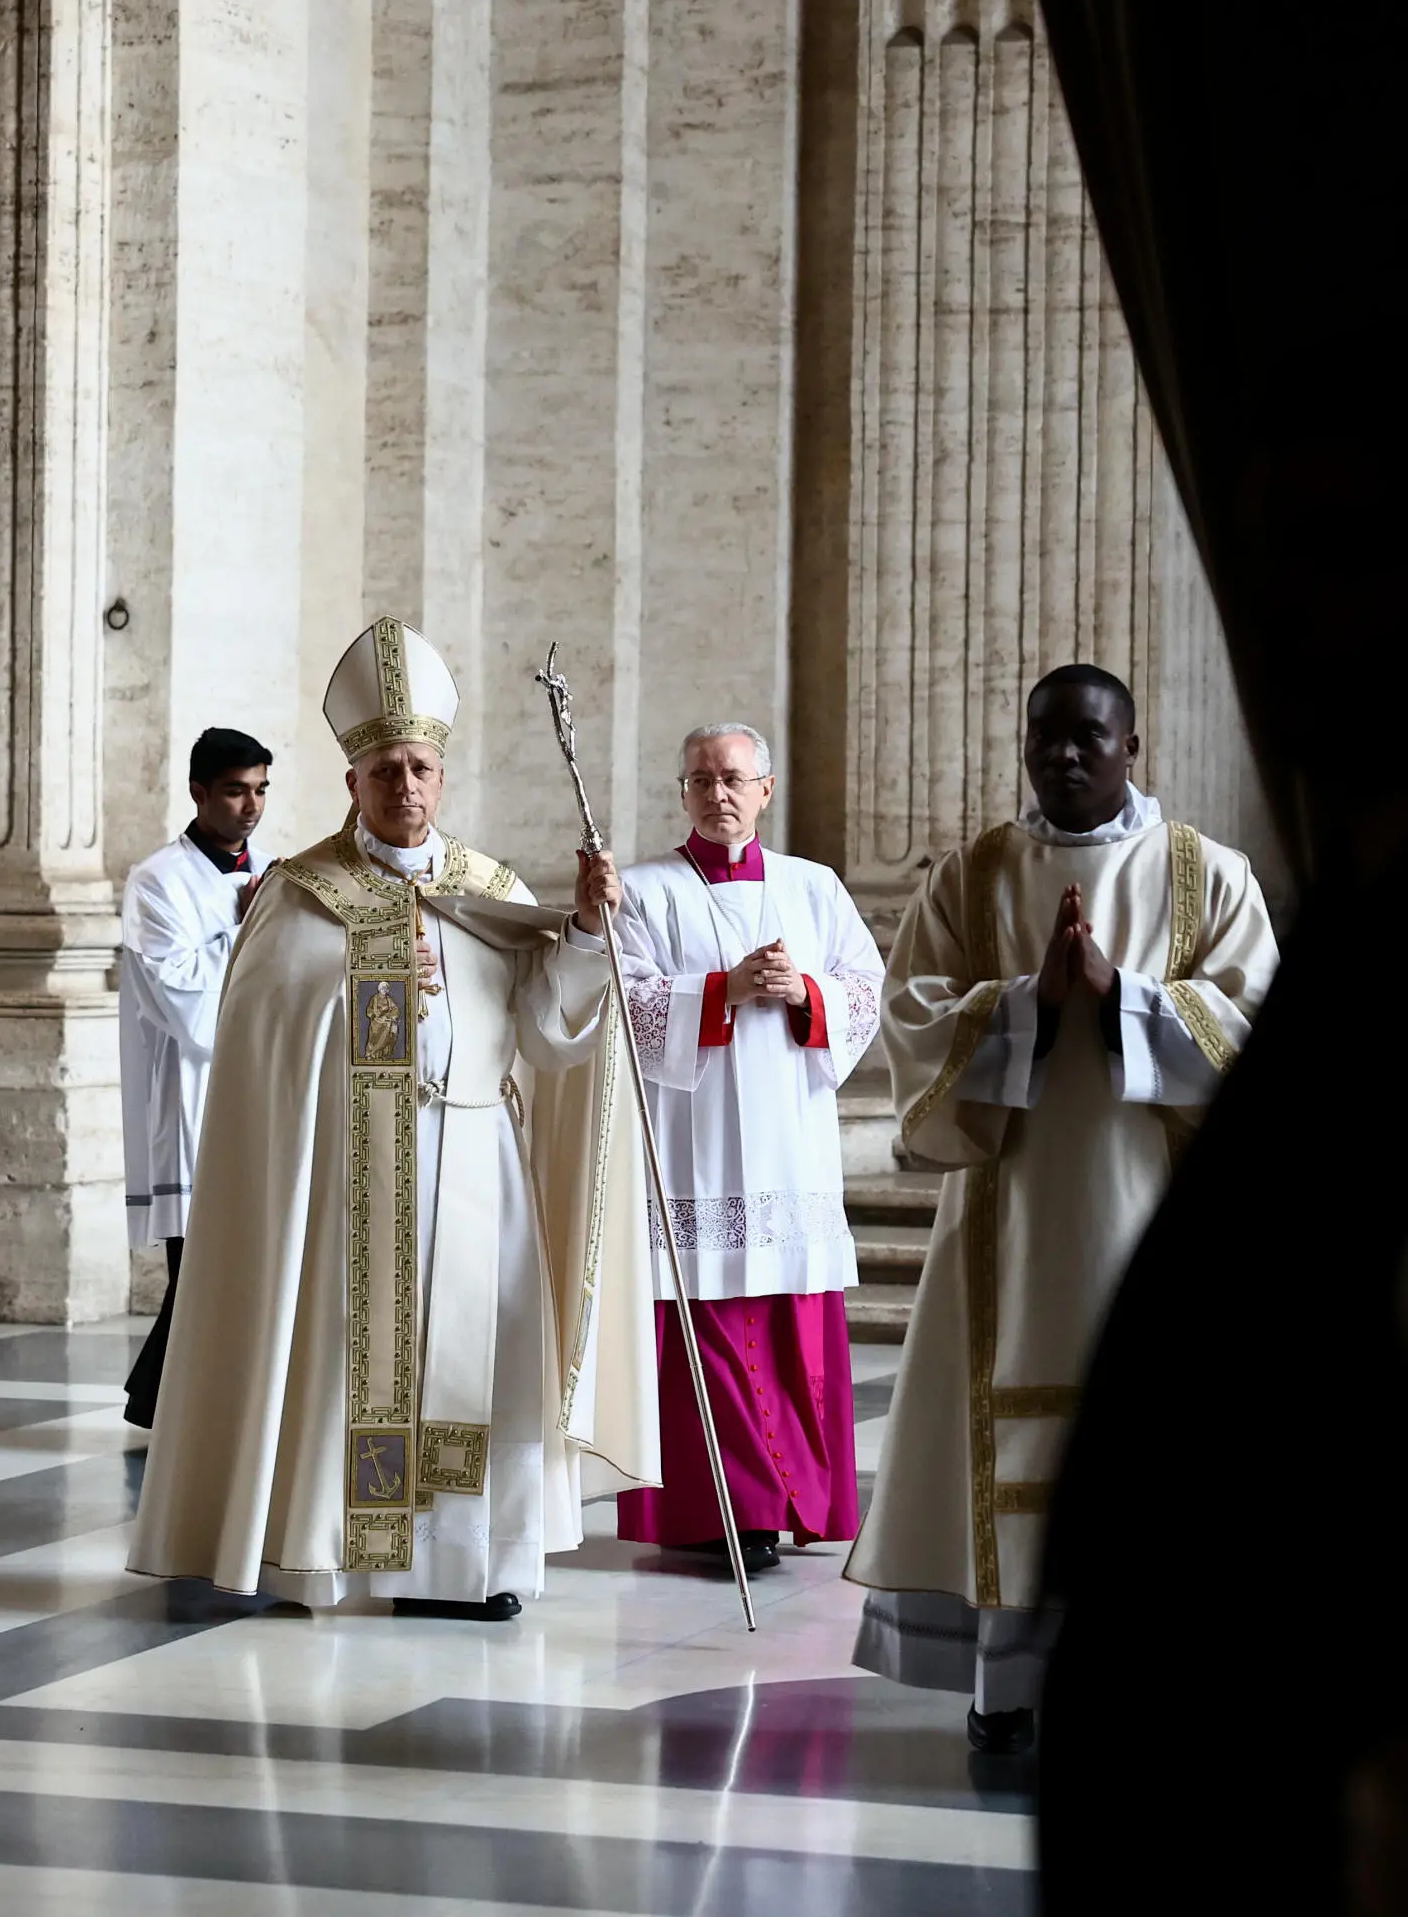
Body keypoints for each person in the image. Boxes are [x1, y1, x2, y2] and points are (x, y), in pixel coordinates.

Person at [129, 617, 652, 1621]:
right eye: (383, 769)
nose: (404, 786)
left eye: (419, 766)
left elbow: (549, 1034)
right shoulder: (300, 891)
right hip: (350, 1174)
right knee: (351, 1366)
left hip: (477, 1161)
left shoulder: (490, 890)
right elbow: (261, 1030)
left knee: (483, 1361)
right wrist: (367, 971)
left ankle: (468, 1565)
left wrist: (586, 934)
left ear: (442, 775)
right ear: (351, 782)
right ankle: (338, 1551)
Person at [844, 664, 1276, 1753]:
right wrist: (1026, 1001)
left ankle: (1143, 1680)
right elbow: (912, 1015)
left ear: (1135, 742)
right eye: (1045, 740)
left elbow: (1257, 1020)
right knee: (1014, 1448)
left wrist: (1122, 992)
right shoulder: (974, 875)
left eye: (1089, 737)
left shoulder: (1206, 873)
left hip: (1157, 1218)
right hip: (1011, 1223)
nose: (1065, 757)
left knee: (1154, 1451)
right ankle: (1009, 1688)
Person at [611, 723, 887, 1572]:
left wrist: (803, 991)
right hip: (692, 1144)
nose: (717, 794)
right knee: (708, 1324)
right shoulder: (646, 891)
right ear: (683, 791)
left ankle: (795, 1500)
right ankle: (720, 1511)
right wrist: (723, 991)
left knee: (790, 1325)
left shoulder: (813, 888)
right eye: (700, 780)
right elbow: (624, 1002)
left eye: (733, 779)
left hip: (789, 1144)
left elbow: (864, 987)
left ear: (766, 789)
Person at [117, 726, 273, 1427]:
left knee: (240, 1269)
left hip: (267, 1091)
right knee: (204, 1271)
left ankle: (163, 1403)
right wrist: (245, 933)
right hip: (194, 1096)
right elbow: (187, 1006)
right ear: (199, 792)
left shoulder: (275, 873)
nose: (252, 806)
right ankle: (176, 1411)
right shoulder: (158, 881)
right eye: (237, 790)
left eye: (262, 789)